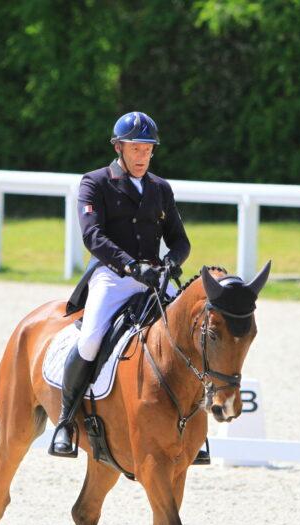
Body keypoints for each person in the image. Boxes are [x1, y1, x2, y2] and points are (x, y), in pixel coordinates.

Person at [49, 111, 191, 457]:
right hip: (113, 276)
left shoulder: (160, 188)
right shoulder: (95, 182)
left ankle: (194, 428)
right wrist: (129, 265)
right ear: (119, 148)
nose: (143, 157)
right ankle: (66, 421)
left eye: (148, 150)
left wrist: (171, 263)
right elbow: (92, 235)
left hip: (154, 279)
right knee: (92, 337)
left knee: (191, 333)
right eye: (136, 149)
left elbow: (180, 241)